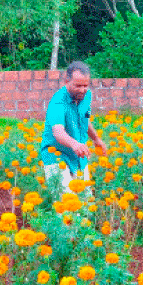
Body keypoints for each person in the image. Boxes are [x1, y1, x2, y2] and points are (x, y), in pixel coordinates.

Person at [40, 61, 107, 197]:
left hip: (78, 156)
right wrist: (75, 144)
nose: (82, 90)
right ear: (67, 81)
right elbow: (58, 132)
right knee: (66, 207)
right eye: (78, 86)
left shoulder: (86, 96)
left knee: (85, 204)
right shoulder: (58, 102)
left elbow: (84, 119)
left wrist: (96, 139)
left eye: (85, 85)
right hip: (56, 157)